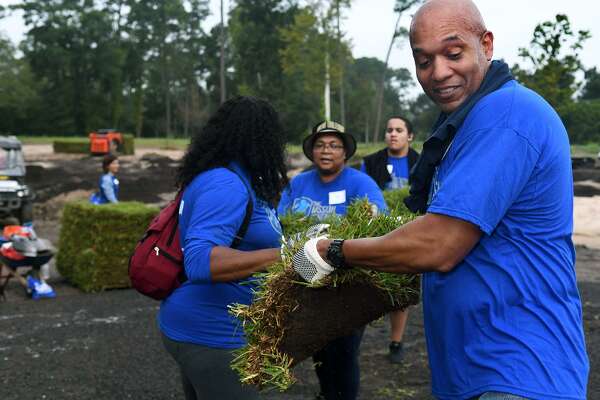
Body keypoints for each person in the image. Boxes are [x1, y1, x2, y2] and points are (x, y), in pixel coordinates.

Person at [292, 1, 589, 399]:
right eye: (424, 60)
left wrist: (335, 252)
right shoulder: (467, 126)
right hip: (479, 370)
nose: (438, 72)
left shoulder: (505, 114)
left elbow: (439, 244)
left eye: (453, 53)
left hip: (518, 370)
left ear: (486, 44)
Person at [158, 96, 287, 400]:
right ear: (260, 139)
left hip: (203, 327)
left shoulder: (229, 178)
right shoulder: (225, 185)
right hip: (212, 334)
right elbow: (201, 261)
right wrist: (284, 255)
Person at [278, 120, 386, 400]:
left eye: (334, 145)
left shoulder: (360, 183)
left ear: (345, 152)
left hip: (347, 287)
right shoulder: (299, 183)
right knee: (318, 348)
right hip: (306, 281)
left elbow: (377, 221)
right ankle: (327, 393)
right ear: (312, 151)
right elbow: (279, 222)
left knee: (345, 351)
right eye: (320, 145)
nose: (326, 151)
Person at [361, 116, 420, 364]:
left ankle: (396, 341)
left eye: (399, 130)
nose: (393, 134)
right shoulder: (371, 162)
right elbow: (363, 197)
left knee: (400, 287)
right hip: (377, 231)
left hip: (411, 231)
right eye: (389, 130)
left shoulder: (421, 162)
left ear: (410, 136)